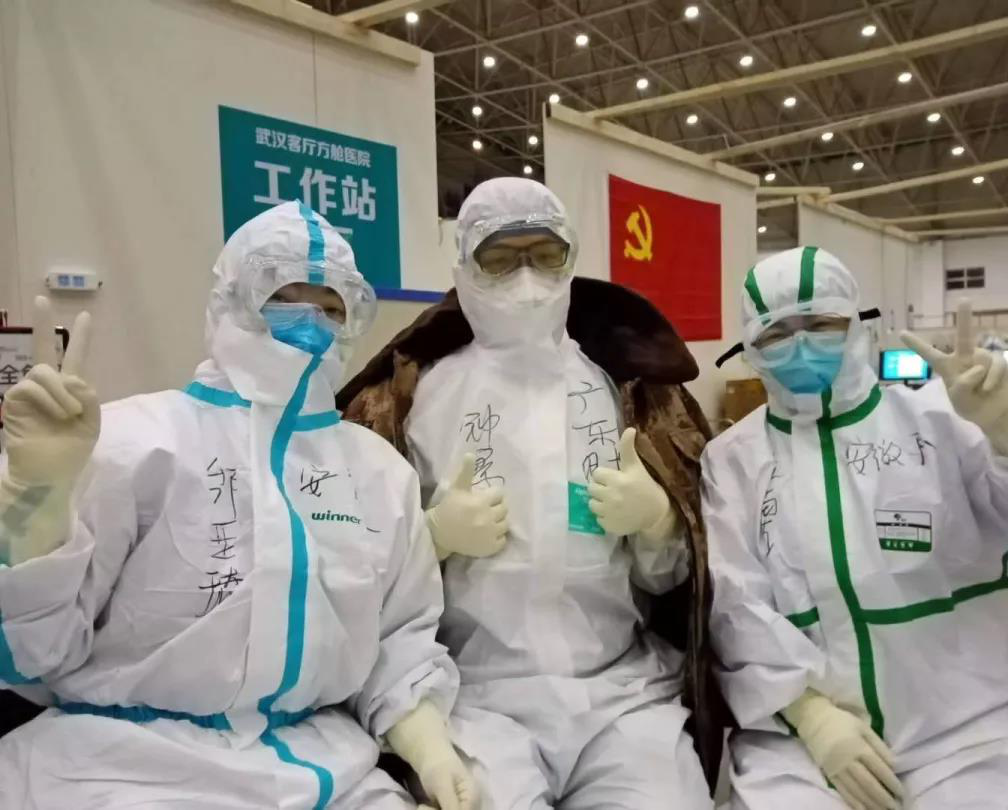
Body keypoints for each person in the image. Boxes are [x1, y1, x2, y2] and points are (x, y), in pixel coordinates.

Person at [0, 201, 475, 810]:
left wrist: (431, 751)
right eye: (285, 299)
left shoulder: (378, 473)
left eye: (331, 308)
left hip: (325, 770)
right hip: (121, 766)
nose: (311, 324)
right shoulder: (135, 443)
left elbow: (398, 642)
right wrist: (36, 496)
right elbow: (27, 654)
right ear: (229, 301)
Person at [336, 177, 721, 809]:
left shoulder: (630, 390)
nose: (527, 278)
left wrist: (660, 526)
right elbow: (357, 571)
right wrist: (429, 539)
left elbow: (674, 582)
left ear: (572, 259)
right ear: (463, 268)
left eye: (545, 255)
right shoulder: (412, 400)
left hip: (622, 695)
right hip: (475, 700)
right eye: (500, 257)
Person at [702, 246, 1008, 810]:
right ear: (749, 351)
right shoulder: (733, 458)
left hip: (963, 735)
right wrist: (811, 716)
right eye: (776, 333)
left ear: (860, 324)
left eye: (822, 324)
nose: (801, 346)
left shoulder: (941, 421)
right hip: (801, 746)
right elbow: (735, 604)